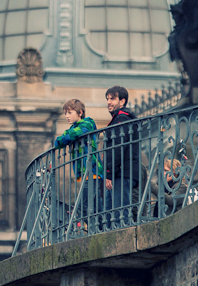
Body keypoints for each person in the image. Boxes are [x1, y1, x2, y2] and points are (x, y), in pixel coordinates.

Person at [54, 99, 104, 233]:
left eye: (70, 112)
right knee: (95, 203)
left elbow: (69, 136)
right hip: (86, 172)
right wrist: (64, 137)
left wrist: (64, 137)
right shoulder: (74, 127)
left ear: (80, 112)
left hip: (91, 170)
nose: (67, 116)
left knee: (84, 205)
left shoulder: (87, 123)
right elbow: (60, 141)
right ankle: (102, 227)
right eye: (65, 113)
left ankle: (98, 228)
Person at [104, 86, 141, 228]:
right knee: (112, 214)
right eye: (107, 99)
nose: (108, 102)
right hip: (120, 172)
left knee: (119, 214)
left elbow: (117, 149)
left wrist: (109, 173)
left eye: (112, 99)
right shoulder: (120, 118)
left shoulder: (121, 118)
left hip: (121, 172)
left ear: (122, 101)